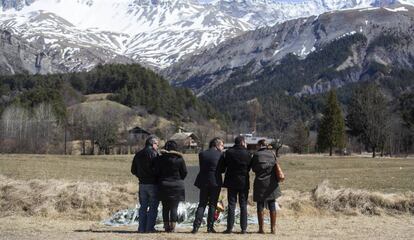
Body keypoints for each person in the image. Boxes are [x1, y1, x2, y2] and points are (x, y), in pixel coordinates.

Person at [220, 136, 252, 234]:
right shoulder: (248, 153)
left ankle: (229, 228)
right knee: (243, 205)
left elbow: (224, 166)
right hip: (243, 181)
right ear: (242, 142)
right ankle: (244, 229)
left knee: (231, 205)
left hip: (231, 181)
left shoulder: (228, 152)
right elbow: (249, 167)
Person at [192, 137, 224, 234]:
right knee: (213, 205)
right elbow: (222, 170)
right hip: (215, 181)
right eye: (222, 145)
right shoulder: (221, 155)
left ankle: (196, 227)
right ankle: (210, 227)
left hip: (204, 181)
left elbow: (202, 167)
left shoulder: (202, 154)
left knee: (202, 204)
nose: (223, 147)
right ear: (217, 145)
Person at [154, 140, 187, 232]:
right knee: (174, 207)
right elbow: (184, 172)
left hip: (163, 184)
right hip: (177, 185)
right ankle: (172, 227)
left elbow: (156, 172)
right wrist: (179, 179)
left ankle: (166, 226)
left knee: (165, 207)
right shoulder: (180, 159)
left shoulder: (160, 159)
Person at [251, 139, 282, 234]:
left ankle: (261, 229)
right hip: (271, 183)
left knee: (260, 205)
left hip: (260, 182)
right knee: (272, 203)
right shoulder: (272, 154)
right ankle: (273, 229)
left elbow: (253, 168)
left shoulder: (256, 155)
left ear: (260, 145)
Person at [130, 135, 160, 233]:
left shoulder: (138, 154)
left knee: (143, 207)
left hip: (142, 184)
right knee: (153, 207)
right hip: (153, 184)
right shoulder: (155, 154)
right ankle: (149, 228)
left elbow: (133, 170)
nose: (157, 146)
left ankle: (141, 228)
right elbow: (158, 170)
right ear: (152, 143)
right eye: (157, 144)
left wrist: (140, 175)